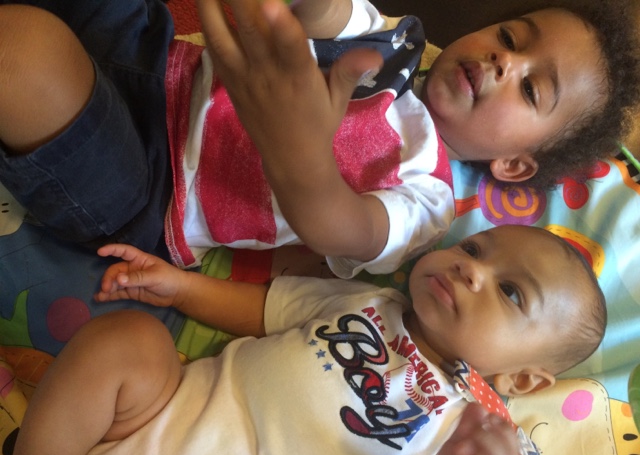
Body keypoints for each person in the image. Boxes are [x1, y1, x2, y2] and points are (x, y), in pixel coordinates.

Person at [0, 0, 638, 279]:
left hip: (151, 188)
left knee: (24, 52)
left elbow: (340, 228)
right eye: (510, 36)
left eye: (532, 89)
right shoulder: (393, 44)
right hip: (158, 57)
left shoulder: (427, 198)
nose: (505, 61)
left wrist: (297, 153)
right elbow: (328, 13)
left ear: (515, 165)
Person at [11, 225, 607, 455]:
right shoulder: (369, 301)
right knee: (130, 340)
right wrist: (180, 287)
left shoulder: (463, 429)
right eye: (475, 248)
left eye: (510, 292)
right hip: (157, 428)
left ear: (522, 381)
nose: (470, 269)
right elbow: (263, 309)